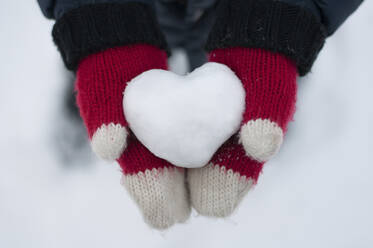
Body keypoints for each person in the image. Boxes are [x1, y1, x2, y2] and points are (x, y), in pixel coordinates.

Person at [37, 0, 363, 229]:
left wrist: (283, 14)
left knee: (256, 71)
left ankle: (265, 99)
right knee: (103, 70)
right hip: (128, 8)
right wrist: (93, 13)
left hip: (244, 10)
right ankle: (83, 97)